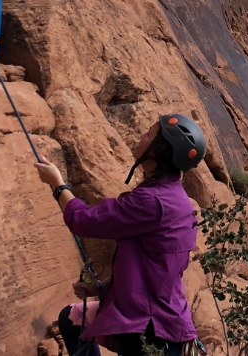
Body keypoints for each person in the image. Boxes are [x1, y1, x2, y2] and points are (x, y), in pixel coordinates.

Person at [34, 115, 208, 356]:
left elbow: (85, 221)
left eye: (149, 133)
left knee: (75, 320)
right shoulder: (179, 202)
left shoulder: (152, 202)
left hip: (150, 329)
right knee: (71, 318)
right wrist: (100, 288)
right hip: (165, 322)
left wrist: (58, 185)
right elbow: (157, 270)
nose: (141, 137)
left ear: (160, 149)